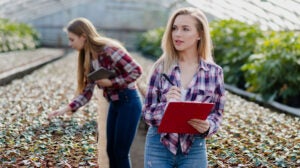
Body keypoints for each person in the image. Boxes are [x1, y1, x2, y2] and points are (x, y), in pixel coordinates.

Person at [48, 17, 143, 168]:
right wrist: (66, 108)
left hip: (129, 102)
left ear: (83, 37)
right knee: (110, 151)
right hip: (116, 103)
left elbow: (136, 70)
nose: (70, 44)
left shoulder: (109, 50)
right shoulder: (89, 57)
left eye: (72, 39)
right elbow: (87, 92)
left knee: (120, 152)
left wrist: (111, 83)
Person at [142, 7, 225, 168]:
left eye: (185, 29)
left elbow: (217, 113)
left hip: (194, 147)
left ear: (199, 34)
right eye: (174, 28)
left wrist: (208, 126)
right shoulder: (161, 68)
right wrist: (166, 105)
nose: (177, 34)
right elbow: (147, 113)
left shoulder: (214, 72)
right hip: (159, 144)